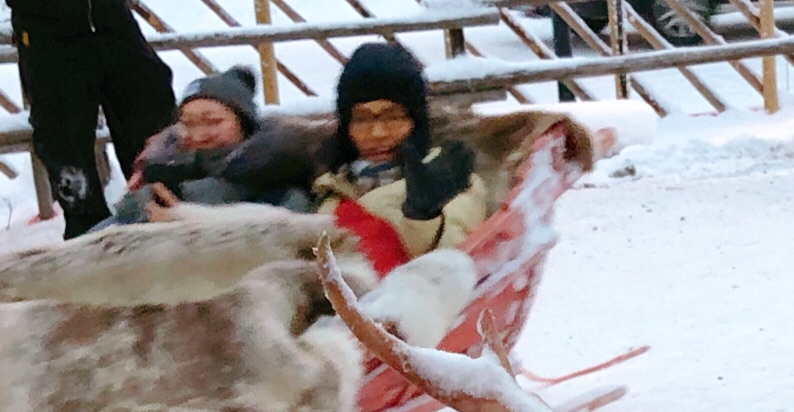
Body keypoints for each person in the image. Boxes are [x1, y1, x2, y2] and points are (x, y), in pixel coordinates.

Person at [310, 44, 486, 274]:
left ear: (416, 120)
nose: (378, 133)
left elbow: (455, 260)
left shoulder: (451, 178)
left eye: (393, 116)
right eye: (362, 119)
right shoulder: (329, 192)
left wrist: (423, 218)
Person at [12, 0, 177, 237]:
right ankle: (90, 237)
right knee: (65, 144)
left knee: (152, 106)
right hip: (45, 30)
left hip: (110, 17)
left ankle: (164, 214)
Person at [108, 66, 322, 225]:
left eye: (213, 122)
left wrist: (182, 224)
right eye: (188, 124)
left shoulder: (280, 184)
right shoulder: (160, 178)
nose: (199, 135)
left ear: (244, 124)